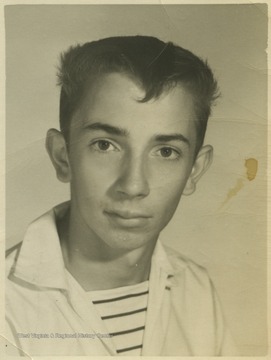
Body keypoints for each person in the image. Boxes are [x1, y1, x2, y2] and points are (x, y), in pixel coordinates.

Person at [5, 35, 236, 356]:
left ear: (194, 171)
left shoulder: (196, 290)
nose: (133, 185)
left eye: (166, 151)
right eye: (105, 145)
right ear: (62, 156)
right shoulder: (7, 305)